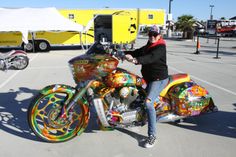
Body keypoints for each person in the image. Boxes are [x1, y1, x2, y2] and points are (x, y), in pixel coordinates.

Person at [124, 26, 169, 148]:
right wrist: (123, 53)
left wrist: (136, 60)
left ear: (159, 35)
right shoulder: (148, 45)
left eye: (155, 34)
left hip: (158, 79)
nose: (152, 37)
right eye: (150, 34)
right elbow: (138, 51)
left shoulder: (160, 47)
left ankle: (152, 136)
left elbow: (151, 57)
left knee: (148, 103)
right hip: (148, 78)